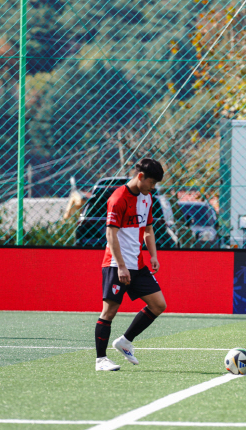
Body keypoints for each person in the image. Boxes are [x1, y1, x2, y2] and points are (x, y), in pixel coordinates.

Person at [94, 158, 167, 371]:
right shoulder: (118, 199)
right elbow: (110, 234)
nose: (153, 188)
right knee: (109, 311)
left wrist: (153, 255)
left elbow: (149, 230)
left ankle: (125, 341)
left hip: (138, 265)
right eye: (152, 183)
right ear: (140, 177)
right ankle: (100, 360)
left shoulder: (147, 198)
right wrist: (121, 266)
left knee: (158, 304)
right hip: (116, 265)